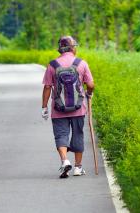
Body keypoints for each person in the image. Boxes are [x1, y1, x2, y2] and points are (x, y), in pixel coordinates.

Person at [41, 36, 94, 179]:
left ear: (60, 49)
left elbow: (47, 87)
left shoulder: (52, 65)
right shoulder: (81, 63)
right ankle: (78, 167)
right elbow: (90, 84)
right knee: (78, 135)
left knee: (61, 135)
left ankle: (65, 161)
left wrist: (44, 107)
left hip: (58, 109)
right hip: (78, 108)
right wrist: (89, 94)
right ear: (72, 48)